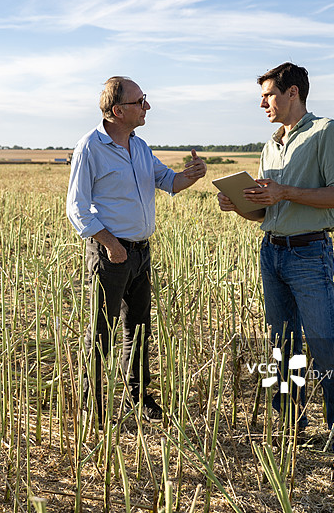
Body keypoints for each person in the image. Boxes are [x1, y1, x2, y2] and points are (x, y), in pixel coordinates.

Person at [217, 62, 334, 491]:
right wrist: (242, 206)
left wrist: (283, 191)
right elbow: (268, 212)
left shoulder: (327, 131)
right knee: (282, 347)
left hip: (308, 253)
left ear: (293, 93)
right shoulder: (271, 144)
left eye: (268, 94)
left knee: (324, 350)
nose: (262, 103)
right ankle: (290, 428)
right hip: (271, 252)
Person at [66, 76, 206, 427]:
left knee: (139, 329)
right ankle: (93, 408)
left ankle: (140, 397)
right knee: (101, 332)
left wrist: (192, 175)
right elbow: (76, 208)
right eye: (140, 101)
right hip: (109, 255)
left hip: (141, 253)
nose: (147, 106)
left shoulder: (140, 146)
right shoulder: (90, 147)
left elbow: (168, 181)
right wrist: (111, 245)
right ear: (118, 110)